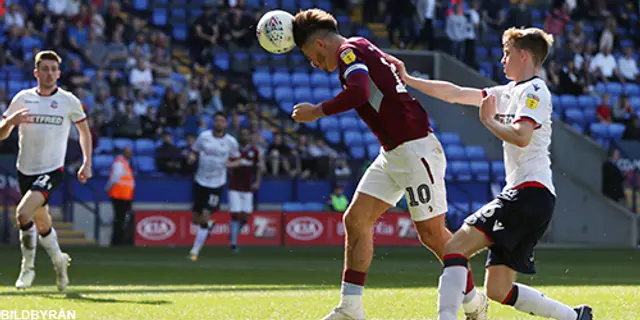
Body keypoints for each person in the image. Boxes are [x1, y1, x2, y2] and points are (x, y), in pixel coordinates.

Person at [289, 9, 487, 320]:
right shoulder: (362, 44)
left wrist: (317, 111)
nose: (312, 62)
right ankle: (350, 307)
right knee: (355, 220)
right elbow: (389, 68)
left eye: (309, 54)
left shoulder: (347, 52)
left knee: (433, 235)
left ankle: (474, 300)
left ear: (320, 44)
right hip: (394, 152)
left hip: (415, 149)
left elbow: (359, 91)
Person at [386, 27, 593, 320]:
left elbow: (521, 136)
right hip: (533, 198)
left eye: (507, 53)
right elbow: (455, 94)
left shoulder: (535, 91)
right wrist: (408, 79)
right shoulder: (507, 92)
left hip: (528, 194)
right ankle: (576, 317)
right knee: (498, 289)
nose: (502, 60)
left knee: (455, 247)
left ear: (523, 55)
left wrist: (489, 121)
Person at [0, 50, 93, 291]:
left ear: (59, 73)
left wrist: (87, 162)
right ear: (36, 72)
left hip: (52, 169)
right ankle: (59, 262)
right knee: (42, 224)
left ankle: (27, 268)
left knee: (22, 214)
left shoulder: (68, 100)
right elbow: (1, 134)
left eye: (54, 69)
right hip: (25, 170)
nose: (50, 74)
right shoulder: (22, 98)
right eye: (45, 69)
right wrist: (10, 123)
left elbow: (84, 131)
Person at [188, 111, 239, 261]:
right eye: (216, 120)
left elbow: (237, 160)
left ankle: (194, 251)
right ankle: (208, 226)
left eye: (221, 121)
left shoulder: (231, 141)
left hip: (217, 183)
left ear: (226, 124)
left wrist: (230, 164)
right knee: (196, 219)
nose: (218, 123)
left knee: (205, 215)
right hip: (200, 180)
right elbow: (194, 152)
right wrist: (191, 158)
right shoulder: (204, 137)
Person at [226, 127, 261, 253]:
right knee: (235, 214)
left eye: (246, 134)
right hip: (234, 186)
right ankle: (234, 243)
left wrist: (257, 182)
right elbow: (228, 164)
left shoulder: (254, 151)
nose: (244, 137)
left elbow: (258, 168)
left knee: (246, 215)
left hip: (247, 187)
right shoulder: (234, 150)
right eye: (242, 134)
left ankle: (233, 233)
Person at [105, 146, 135, 246]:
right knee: (119, 219)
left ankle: (119, 241)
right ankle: (117, 241)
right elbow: (115, 177)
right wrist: (108, 187)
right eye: (129, 152)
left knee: (120, 219)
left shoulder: (124, 163)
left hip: (125, 195)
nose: (131, 154)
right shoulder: (120, 162)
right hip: (119, 195)